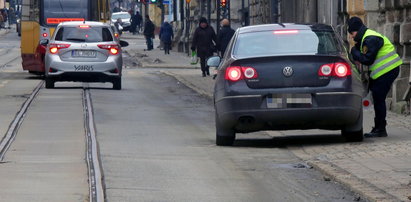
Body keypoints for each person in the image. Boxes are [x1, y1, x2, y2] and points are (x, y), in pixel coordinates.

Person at [348, 16, 403, 138]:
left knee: (378, 98)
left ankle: (380, 129)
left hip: (388, 70)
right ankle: (379, 127)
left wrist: (354, 52)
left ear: (357, 30)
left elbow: (367, 59)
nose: (351, 36)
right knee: (377, 98)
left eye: (352, 33)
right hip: (384, 71)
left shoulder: (370, 38)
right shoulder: (366, 37)